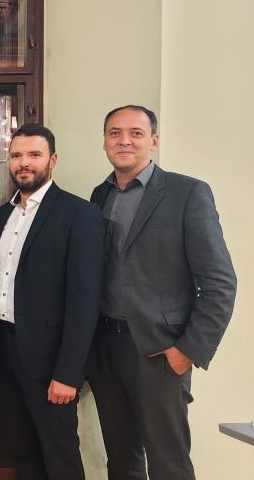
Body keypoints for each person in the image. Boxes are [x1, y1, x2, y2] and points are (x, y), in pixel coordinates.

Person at [87, 105, 236, 480]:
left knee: (168, 464)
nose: (124, 141)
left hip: (158, 352)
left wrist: (188, 351)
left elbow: (219, 282)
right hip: (106, 347)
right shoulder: (99, 195)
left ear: (153, 140)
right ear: (104, 141)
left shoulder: (188, 193)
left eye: (135, 133)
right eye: (114, 133)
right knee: (121, 461)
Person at [0, 124, 103, 480]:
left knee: (59, 457)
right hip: (5, 352)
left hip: (51, 360)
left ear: (52, 160)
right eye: (17, 155)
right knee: (23, 452)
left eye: (34, 155)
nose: (24, 163)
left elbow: (84, 302)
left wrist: (68, 373)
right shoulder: (1, 215)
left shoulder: (78, 214)